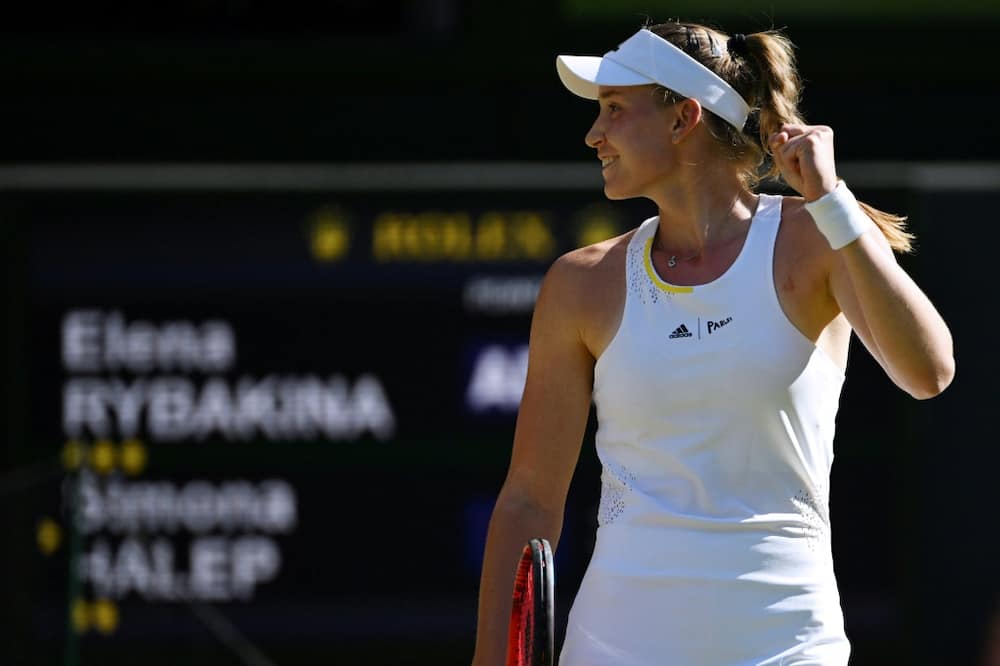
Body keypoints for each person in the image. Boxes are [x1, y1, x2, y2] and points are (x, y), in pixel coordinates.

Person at [470, 20, 955, 666]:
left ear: (683, 119)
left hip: (789, 647)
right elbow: (529, 500)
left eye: (614, 110)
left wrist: (833, 200)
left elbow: (929, 369)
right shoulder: (580, 283)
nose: (594, 135)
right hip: (611, 650)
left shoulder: (818, 237)